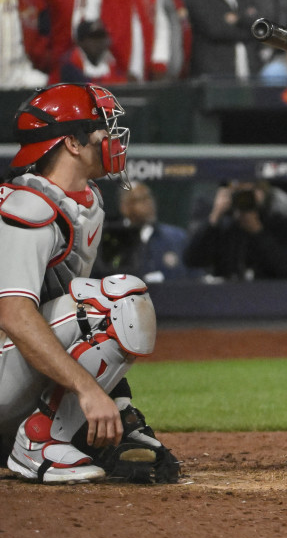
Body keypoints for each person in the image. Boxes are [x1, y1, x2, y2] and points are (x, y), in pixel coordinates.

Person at [0, 83, 180, 484]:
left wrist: (114, 399)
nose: (113, 139)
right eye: (102, 129)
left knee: (101, 303)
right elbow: (13, 315)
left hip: (10, 371)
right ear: (72, 144)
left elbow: (78, 327)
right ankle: (36, 443)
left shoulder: (85, 201)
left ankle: (78, 428)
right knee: (118, 298)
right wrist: (88, 389)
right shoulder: (26, 206)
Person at [183, 180, 287, 281]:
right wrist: (214, 217)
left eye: (248, 193)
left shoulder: (281, 216)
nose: (243, 200)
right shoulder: (221, 220)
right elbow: (192, 260)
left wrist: (257, 231)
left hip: (269, 298)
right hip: (227, 297)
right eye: (238, 193)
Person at [104, 181, 200, 283]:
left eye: (149, 197)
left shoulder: (178, 238)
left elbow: (196, 278)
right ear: (125, 207)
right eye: (141, 199)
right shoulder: (110, 239)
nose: (149, 203)